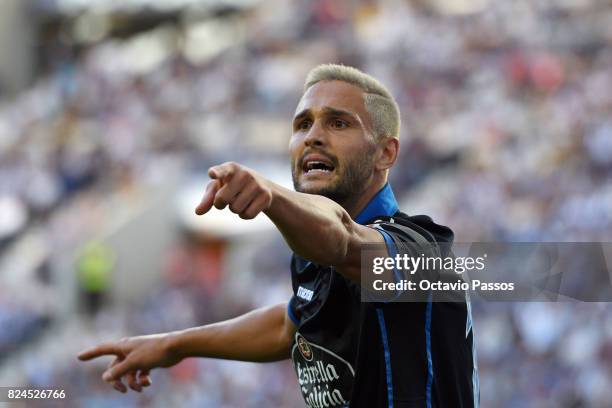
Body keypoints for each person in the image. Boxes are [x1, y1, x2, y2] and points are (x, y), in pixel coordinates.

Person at [78, 64, 479, 407]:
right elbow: (288, 326)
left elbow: (343, 240)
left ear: (385, 154)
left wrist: (271, 196)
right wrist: (175, 344)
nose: (313, 136)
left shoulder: (424, 248)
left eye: (338, 123)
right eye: (303, 124)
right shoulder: (310, 256)